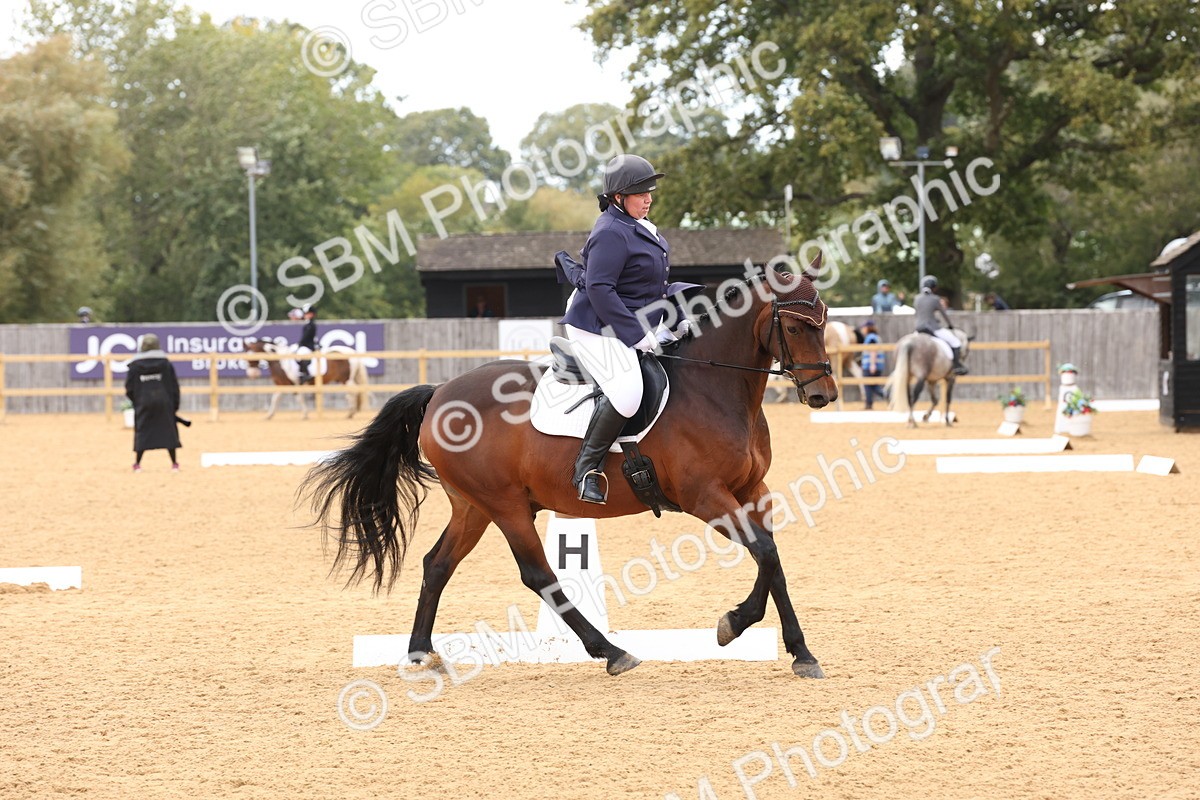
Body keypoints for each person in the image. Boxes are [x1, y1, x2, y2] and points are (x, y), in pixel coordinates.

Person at [559, 154, 701, 504]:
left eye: (650, 190)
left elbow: (647, 287)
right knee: (627, 391)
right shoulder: (610, 232)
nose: (648, 198)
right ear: (618, 198)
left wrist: (676, 312)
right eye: (640, 193)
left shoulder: (640, 227)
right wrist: (637, 337)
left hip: (628, 317)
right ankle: (586, 469)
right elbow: (600, 290)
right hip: (597, 325)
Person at [125, 333, 182, 472]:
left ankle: (137, 464)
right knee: (169, 432)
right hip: (164, 403)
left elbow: (129, 388)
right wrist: (174, 405)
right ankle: (174, 464)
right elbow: (174, 386)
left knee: (143, 431)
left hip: (143, 403)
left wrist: (137, 402)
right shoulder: (166, 364)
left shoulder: (134, 366)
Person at [914, 276, 968, 375]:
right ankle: (956, 366)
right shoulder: (935, 299)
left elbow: (920, 314)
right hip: (931, 328)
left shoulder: (917, 298)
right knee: (956, 342)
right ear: (933, 287)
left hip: (918, 328)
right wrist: (950, 325)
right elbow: (944, 314)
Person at [858, 320, 887, 409]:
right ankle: (889, 397)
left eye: (864, 327)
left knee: (869, 385)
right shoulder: (876, 337)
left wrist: (872, 364)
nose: (862, 329)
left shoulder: (871, 338)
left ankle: (869, 404)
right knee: (874, 386)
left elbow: (873, 350)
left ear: (868, 328)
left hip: (871, 366)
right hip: (877, 365)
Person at [297, 304, 318, 384]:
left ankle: (306, 373)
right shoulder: (307, 324)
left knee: (300, 353)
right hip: (306, 345)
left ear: (312, 314)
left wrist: (300, 343)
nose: (305, 315)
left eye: (307, 313)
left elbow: (306, 337)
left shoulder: (311, 325)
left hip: (309, 346)